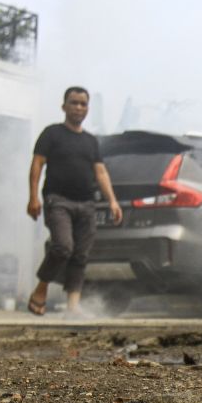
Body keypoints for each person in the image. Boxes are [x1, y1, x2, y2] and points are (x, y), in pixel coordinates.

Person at [26, 87, 123, 316]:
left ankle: (73, 306)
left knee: (80, 254)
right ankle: (41, 290)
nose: (78, 108)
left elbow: (100, 173)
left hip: (86, 204)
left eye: (83, 104)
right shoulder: (51, 134)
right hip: (57, 200)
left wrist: (113, 201)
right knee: (62, 247)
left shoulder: (90, 141)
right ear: (64, 106)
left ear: (87, 109)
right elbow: (37, 165)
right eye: (74, 103)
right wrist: (32, 197)